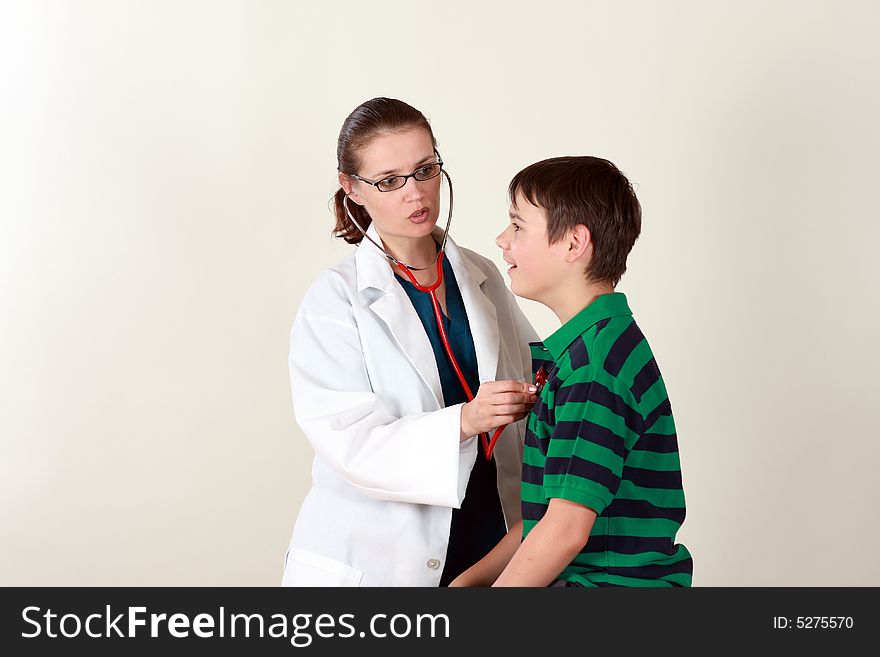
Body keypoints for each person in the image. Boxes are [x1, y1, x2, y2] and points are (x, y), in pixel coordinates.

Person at [281, 98, 539, 586]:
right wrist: (467, 419)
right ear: (351, 189)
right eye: (388, 181)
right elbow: (351, 445)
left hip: (486, 539)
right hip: (378, 559)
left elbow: (535, 374)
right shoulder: (335, 302)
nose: (415, 193)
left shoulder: (483, 275)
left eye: (425, 171)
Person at [451, 156, 693, 587]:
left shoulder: (594, 368)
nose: (502, 240)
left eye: (518, 225)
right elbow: (539, 523)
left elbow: (564, 531)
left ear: (573, 244)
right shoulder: (587, 352)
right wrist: (466, 584)